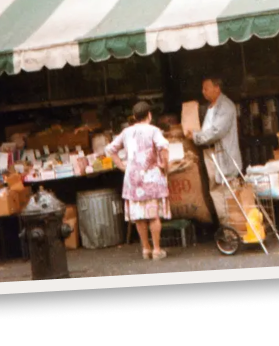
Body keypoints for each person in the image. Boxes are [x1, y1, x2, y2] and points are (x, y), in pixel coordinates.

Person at [104, 101, 171, 261]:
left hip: (133, 178)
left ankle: (145, 249)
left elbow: (110, 149)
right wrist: (164, 165)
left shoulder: (126, 132)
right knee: (153, 215)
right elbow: (163, 147)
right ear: (149, 115)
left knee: (139, 215)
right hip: (151, 177)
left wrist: (122, 166)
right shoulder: (154, 130)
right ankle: (156, 250)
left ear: (134, 117)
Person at [185, 77, 242, 185]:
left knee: (226, 189)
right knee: (216, 189)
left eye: (206, 88)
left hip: (224, 158)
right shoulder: (211, 106)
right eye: (202, 89)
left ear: (217, 88)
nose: (203, 92)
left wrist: (196, 136)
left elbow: (216, 131)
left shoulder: (225, 106)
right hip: (213, 156)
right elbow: (209, 130)